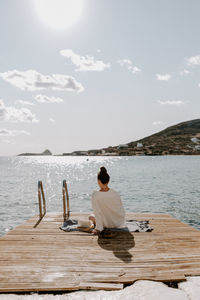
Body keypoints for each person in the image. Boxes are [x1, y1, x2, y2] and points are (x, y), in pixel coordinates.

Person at [89, 166, 126, 235]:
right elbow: (120, 209)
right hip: (118, 222)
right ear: (108, 181)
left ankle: (94, 223)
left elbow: (97, 213)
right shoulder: (115, 193)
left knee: (90, 216)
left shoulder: (95, 195)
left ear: (98, 181)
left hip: (104, 224)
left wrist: (98, 228)